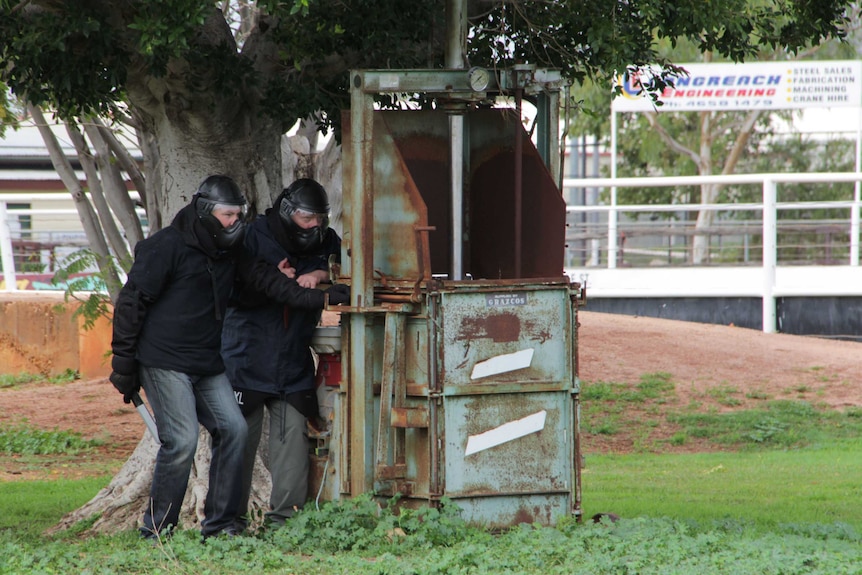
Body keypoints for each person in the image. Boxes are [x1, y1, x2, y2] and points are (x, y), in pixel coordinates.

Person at [108, 175, 348, 542]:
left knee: (233, 429)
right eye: (227, 215)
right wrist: (124, 364)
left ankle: (221, 526)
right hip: (164, 359)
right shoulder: (164, 247)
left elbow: (272, 286)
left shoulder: (231, 251)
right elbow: (130, 304)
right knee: (182, 440)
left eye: (238, 214)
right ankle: (155, 531)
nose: (235, 222)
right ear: (205, 211)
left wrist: (326, 293)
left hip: (208, 363)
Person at [221, 178, 343, 529]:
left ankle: (284, 525)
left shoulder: (327, 241)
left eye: (320, 218)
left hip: (292, 359)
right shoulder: (253, 236)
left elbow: (348, 273)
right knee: (238, 441)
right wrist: (297, 285)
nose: (314, 225)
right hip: (246, 355)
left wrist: (321, 272)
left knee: (292, 443)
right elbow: (245, 284)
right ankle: (229, 522)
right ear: (289, 212)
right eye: (308, 218)